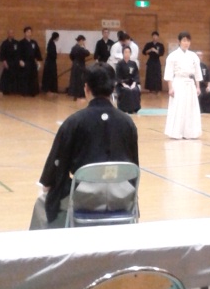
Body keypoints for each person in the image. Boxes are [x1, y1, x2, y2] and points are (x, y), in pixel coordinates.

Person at [29, 62, 139, 230]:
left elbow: (53, 172)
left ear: (86, 88)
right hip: (122, 197)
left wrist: (48, 185)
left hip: (86, 198)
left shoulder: (74, 122)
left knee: (42, 203)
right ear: (113, 89)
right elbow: (133, 167)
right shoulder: (128, 123)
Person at [164, 32, 202, 139]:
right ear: (179, 41)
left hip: (190, 83)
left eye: (188, 41)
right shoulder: (172, 56)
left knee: (191, 108)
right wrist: (170, 88)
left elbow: (197, 73)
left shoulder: (193, 56)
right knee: (178, 108)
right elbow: (169, 73)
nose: (186, 43)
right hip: (178, 83)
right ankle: (176, 132)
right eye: (184, 40)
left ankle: (190, 133)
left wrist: (198, 86)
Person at [17, 26, 42, 96]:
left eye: (30, 32)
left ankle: (33, 92)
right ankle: (24, 92)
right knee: (25, 77)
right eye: (28, 32)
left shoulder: (34, 42)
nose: (29, 33)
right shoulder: (21, 43)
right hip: (25, 62)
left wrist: (38, 61)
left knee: (33, 77)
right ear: (25, 33)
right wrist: (20, 60)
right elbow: (18, 53)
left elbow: (37, 52)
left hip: (32, 63)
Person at [115, 45, 141, 113]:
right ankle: (124, 108)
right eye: (125, 52)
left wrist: (134, 84)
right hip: (122, 84)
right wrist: (124, 84)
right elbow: (118, 76)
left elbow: (136, 75)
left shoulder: (133, 63)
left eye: (129, 52)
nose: (127, 54)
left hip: (132, 82)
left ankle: (134, 109)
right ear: (123, 53)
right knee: (127, 90)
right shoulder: (119, 64)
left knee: (135, 90)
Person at [68, 35, 90, 100]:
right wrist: (85, 47)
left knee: (74, 80)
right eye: (83, 41)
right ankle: (80, 95)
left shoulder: (73, 48)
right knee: (80, 80)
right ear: (81, 40)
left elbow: (71, 56)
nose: (84, 42)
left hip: (75, 65)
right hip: (80, 65)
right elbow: (87, 53)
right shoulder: (80, 48)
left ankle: (74, 94)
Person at [0, 29, 19, 95]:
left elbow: (19, 53)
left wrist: (18, 61)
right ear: (8, 34)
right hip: (7, 62)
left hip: (15, 63)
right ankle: (1, 90)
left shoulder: (16, 43)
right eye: (10, 33)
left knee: (15, 77)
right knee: (5, 77)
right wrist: (4, 62)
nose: (11, 34)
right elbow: (2, 54)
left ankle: (14, 90)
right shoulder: (4, 43)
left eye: (12, 33)